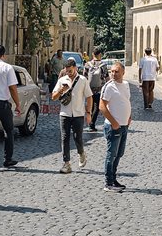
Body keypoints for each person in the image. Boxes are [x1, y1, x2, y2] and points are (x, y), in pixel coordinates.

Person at [52, 58, 92, 174]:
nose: (68, 73)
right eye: (67, 71)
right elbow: (53, 97)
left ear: (75, 68)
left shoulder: (83, 80)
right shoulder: (62, 80)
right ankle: (66, 163)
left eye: (70, 70)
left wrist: (88, 113)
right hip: (64, 114)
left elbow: (89, 97)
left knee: (77, 137)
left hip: (78, 114)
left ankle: (81, 153)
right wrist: (61, 90)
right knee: (64, 138)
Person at [99, 61, 132, 192]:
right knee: (111, 154)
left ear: (123, 72)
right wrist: (113, 122)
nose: (113, 74)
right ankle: (108, 182)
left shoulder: (126, 85)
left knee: (119, 154)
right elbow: (102, 106)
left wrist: (130, 116)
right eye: (112, 71)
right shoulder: (108, 87)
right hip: (113, 127)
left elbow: (126, 101)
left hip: (124, 125)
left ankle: (114, 178)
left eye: (116, 71)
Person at [83, 48, 108, 131]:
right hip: (99, 89)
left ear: (93, 54)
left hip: (89, 89)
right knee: (97, 107)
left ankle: (89, 121)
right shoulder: (103, 65)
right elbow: (107, 77)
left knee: (90, 106)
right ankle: (92, 124)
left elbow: (84, 77)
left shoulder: (87, 64)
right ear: (100, 54)